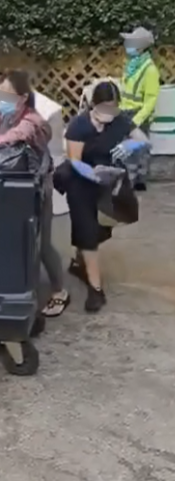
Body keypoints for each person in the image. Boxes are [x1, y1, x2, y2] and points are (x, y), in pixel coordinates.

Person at [0, 71, 70, 317]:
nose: (2, 100)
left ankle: (59, 291)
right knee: (17, 241)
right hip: (11, 189)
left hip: (37, 189)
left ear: (22, 98)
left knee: (42, 244)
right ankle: (21, 286)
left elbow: (14, 137)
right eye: (0, 94)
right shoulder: (2, 116)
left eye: (7, 95)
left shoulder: (33, 122)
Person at [63, 81, 148, 313]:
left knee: (101, 228)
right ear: (94, 105)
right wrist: (91, 174)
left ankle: (81, 261)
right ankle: (95, 289)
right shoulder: (79, 125)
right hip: (79, 181)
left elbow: (143, 138)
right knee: (87, 231)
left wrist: (133, 143)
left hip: (106, 180)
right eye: (104, 108)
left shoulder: (119, 120)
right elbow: (74, 160)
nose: (109, 113)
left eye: (113, 107)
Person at [119, 26, 160, 191]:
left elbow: (151, 100)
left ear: (141, 46)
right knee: (128, 149)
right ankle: (132, 179)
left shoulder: (150, 70)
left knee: (138, 149)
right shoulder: (131, 65)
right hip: (125, 111)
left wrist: (137, 120)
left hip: (138, 114)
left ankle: (138, 180)